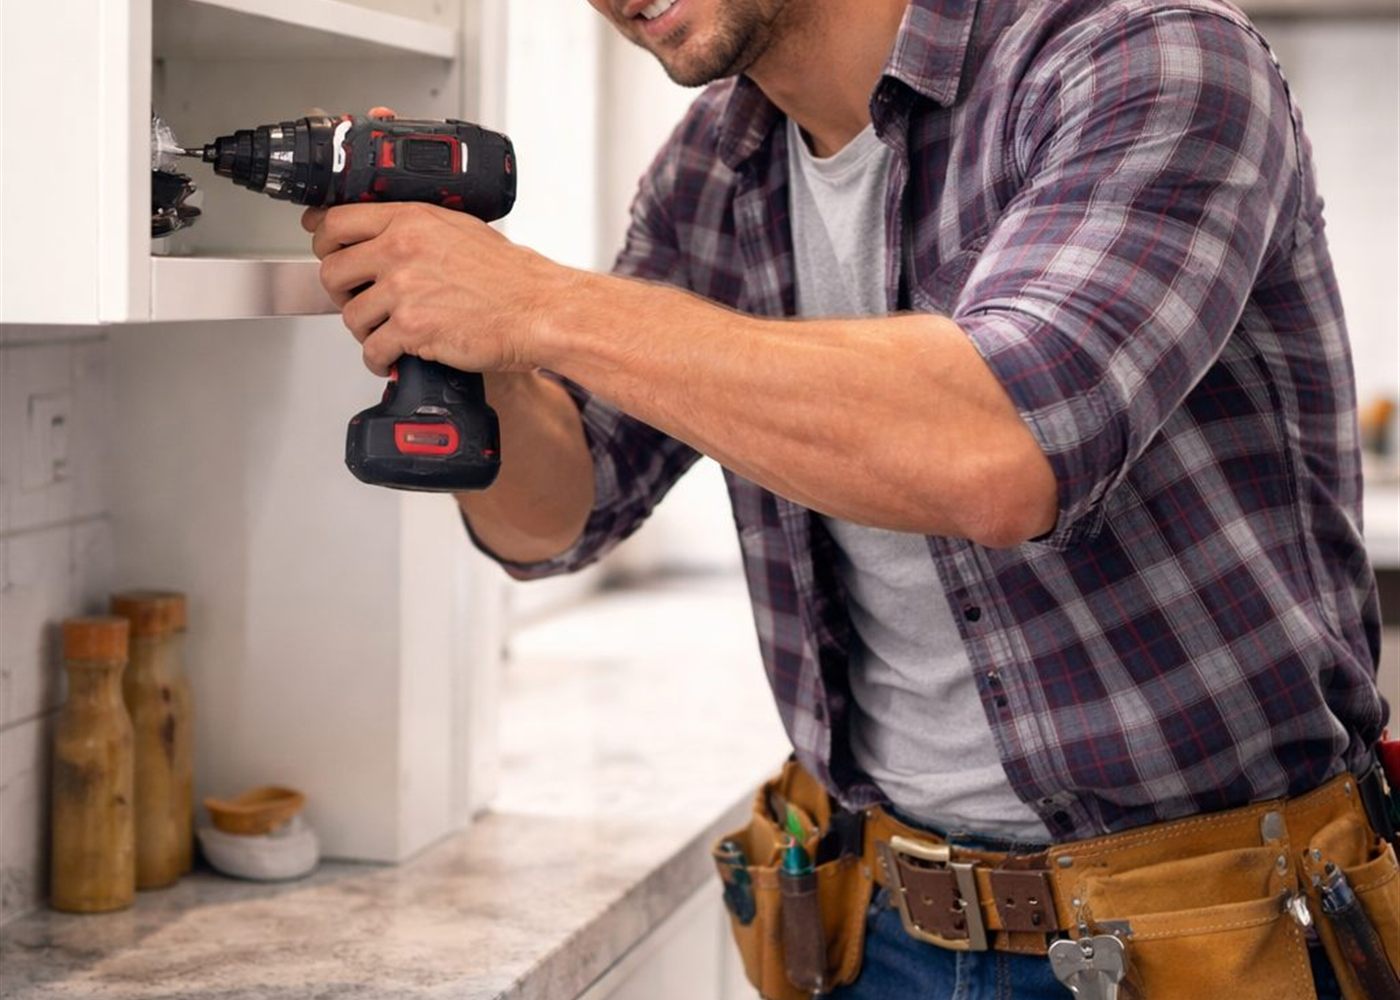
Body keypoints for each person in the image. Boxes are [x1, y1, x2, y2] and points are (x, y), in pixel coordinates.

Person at [302, 0, 1392, 995]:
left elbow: (1001, 450)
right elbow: (558, 518)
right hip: (876, 917)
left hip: (1214, 925)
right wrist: (475, 340)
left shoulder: (1142, 58)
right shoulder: (713, 167)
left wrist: (539, 304)